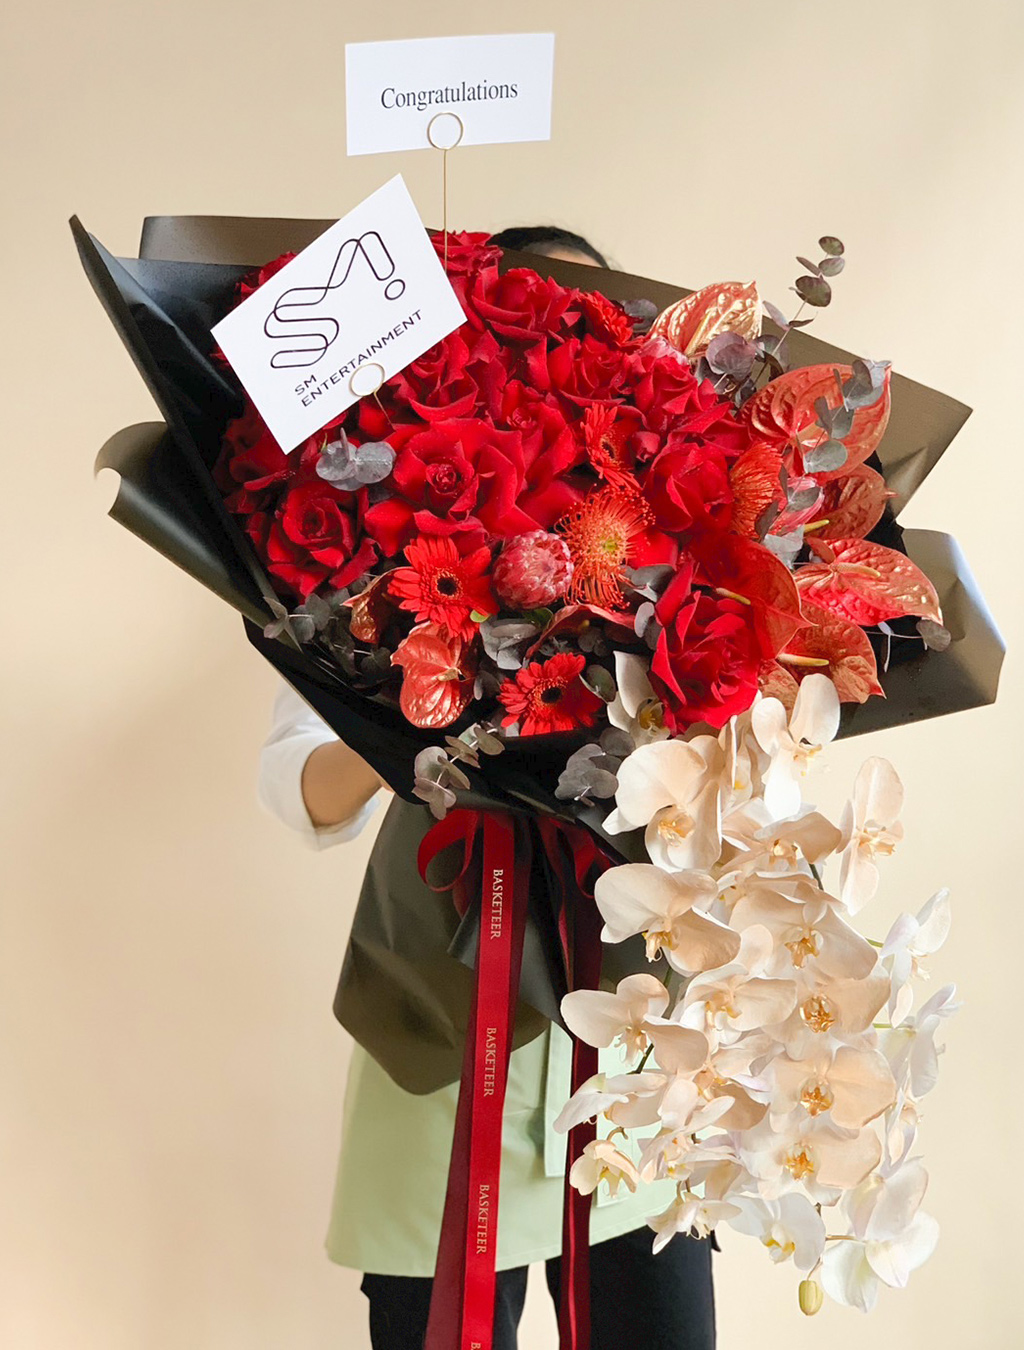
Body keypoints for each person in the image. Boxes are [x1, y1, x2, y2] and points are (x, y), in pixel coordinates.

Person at [258, 227, 717, 1350]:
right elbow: (296, 789)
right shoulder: (385, 563)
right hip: (443, 1013)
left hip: (634, 1035)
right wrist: (410, 716)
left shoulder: (678, 545)